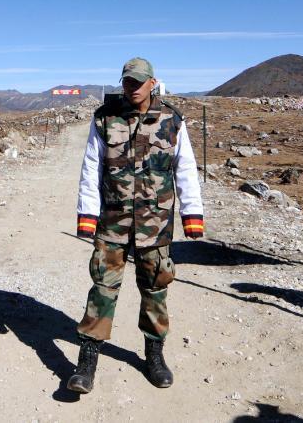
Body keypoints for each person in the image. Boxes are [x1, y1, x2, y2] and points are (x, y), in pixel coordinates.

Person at [66, 57, 204, 394]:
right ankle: (87, 360)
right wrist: (87, 214)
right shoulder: (105, 118)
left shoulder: (173, 121)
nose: (133, 87)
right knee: (102, 288)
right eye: (128, 81)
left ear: (153, 83)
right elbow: (91, 168)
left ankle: (154, 355)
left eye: (139, 82)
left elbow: (185, 168)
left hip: (155, 224)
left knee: (155, 288)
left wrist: (192, 216)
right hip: (112, 221)